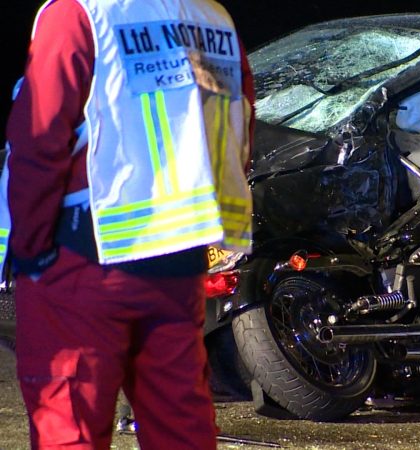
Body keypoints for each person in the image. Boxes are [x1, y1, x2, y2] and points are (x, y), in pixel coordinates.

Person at [0, 0, 254, 448]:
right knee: (182, 427)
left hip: (84, 254)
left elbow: (39, 139)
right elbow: (240, 118)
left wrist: (32, 250)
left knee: (69, 427)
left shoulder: (80, 14)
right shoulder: (212, 17)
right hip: (178, 254)